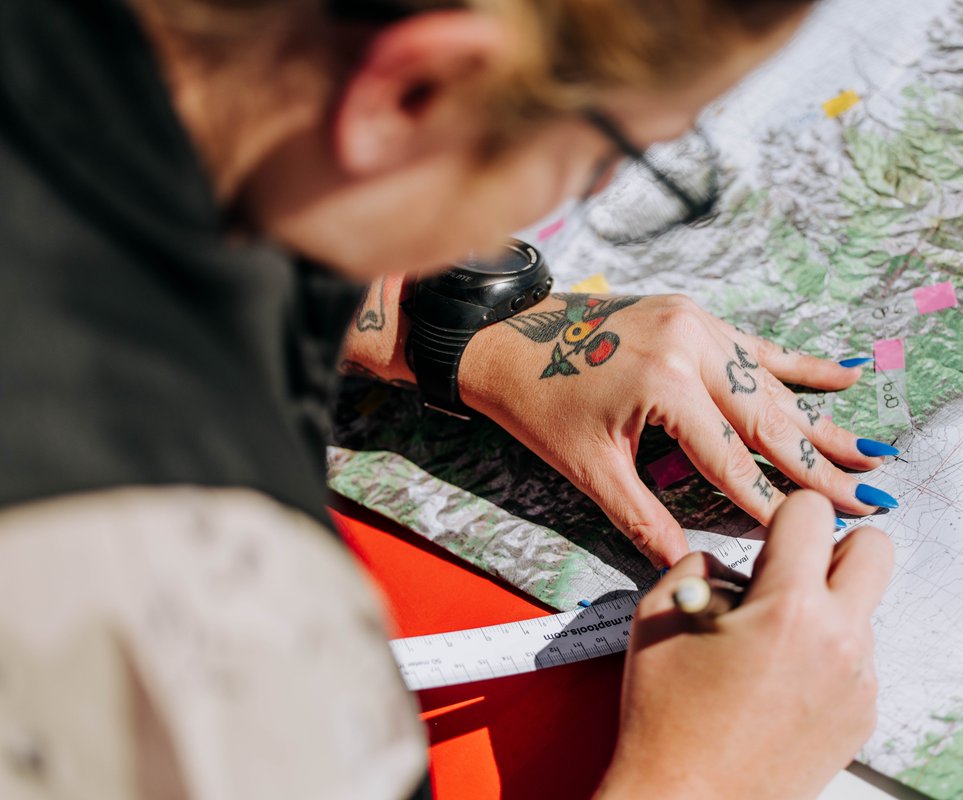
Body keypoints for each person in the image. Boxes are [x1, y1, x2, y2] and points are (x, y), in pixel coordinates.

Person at [0, 0, 894, 797]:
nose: (584, 195)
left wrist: (447, 321)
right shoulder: (193, 600)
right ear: (416, 90)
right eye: (605, 156)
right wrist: (710, 776)